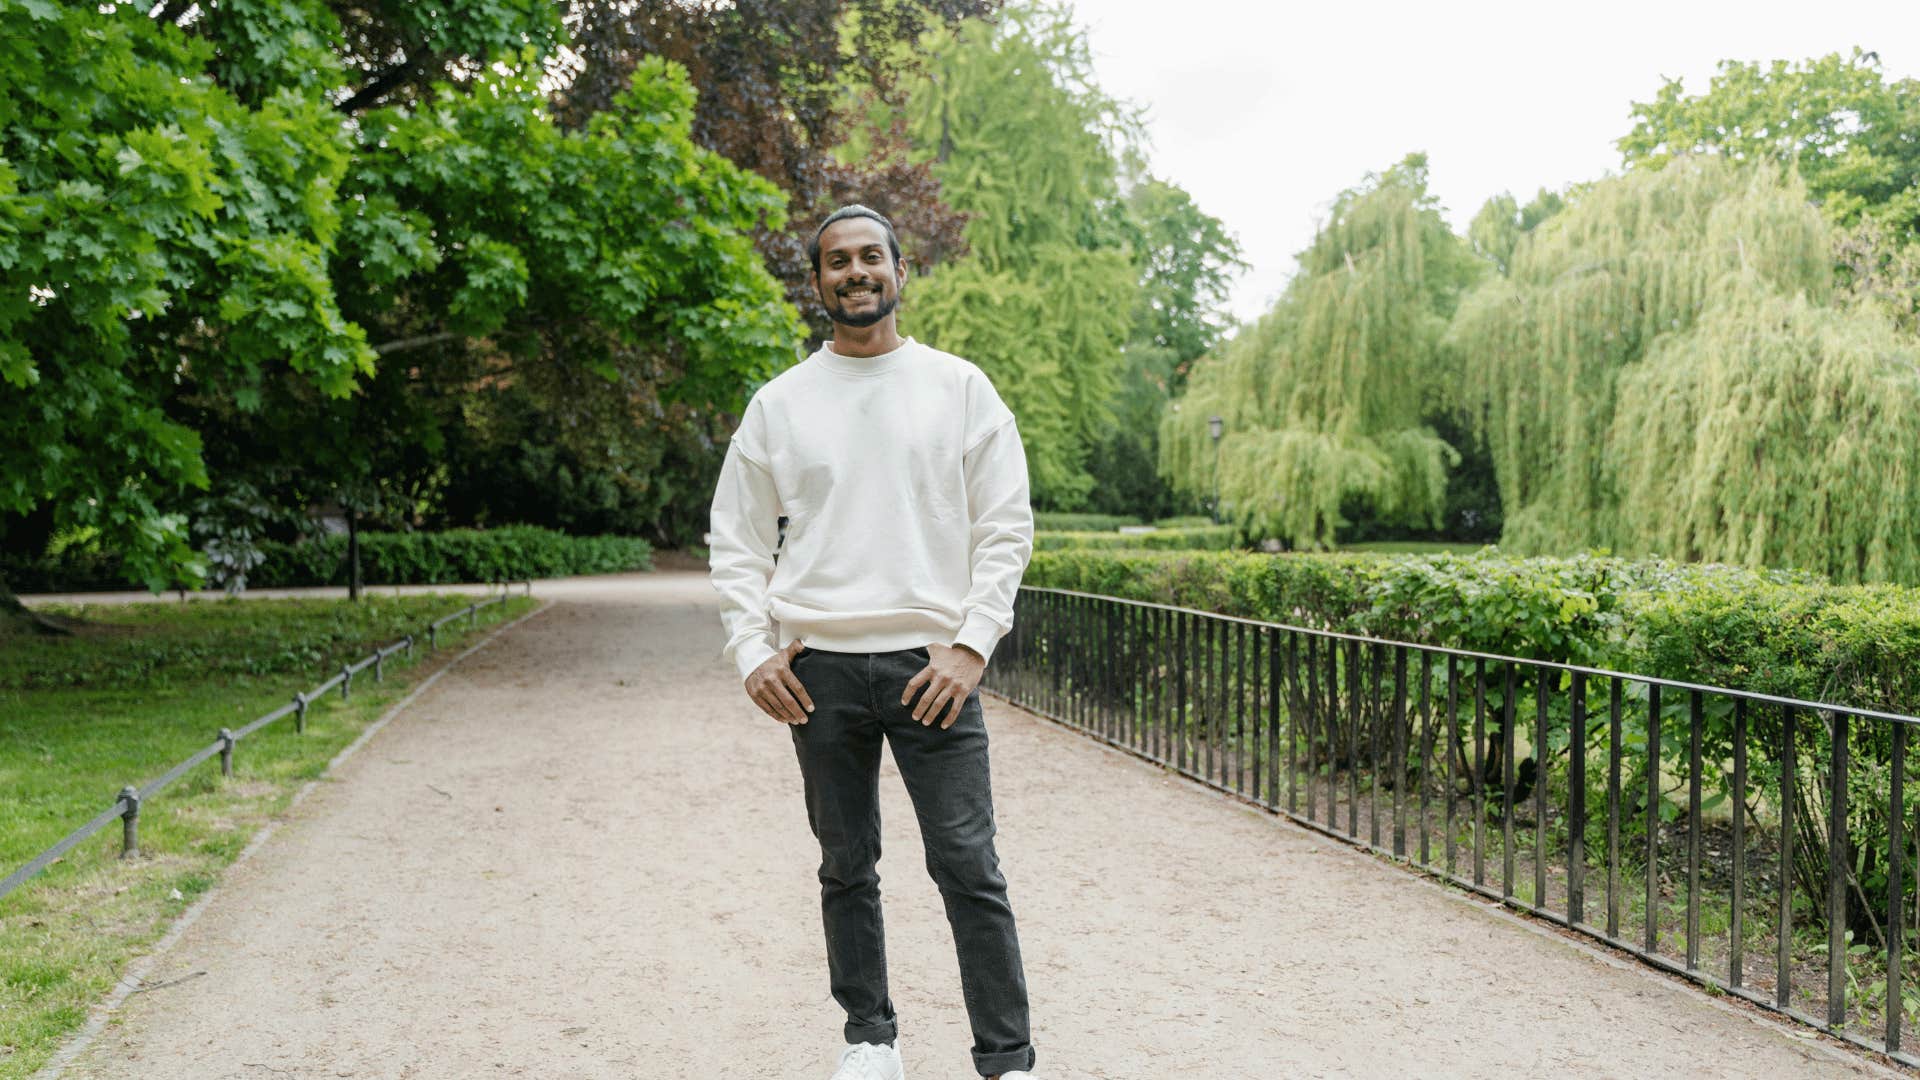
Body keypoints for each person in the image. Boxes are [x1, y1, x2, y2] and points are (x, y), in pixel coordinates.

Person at [707, 204, 1039, 1080]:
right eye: (836, 262)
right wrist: (752, 650)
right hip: (818, 672)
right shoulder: (779, 405)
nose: (855, 272)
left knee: (969, 864)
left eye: (870, 257)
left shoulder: (960, 388)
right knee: (846, 865)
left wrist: (972, 645)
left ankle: (1008, 1061)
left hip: (934, 667)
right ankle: (870, 1042)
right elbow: (736, 539)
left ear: (900, 269)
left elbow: (1004, 525)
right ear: (816, 283)